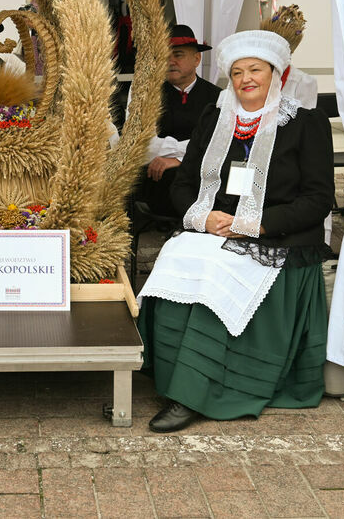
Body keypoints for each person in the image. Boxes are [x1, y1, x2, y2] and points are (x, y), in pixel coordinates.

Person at [137, 29, 333, 433]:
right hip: (217, 227)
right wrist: (202, 217)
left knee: (215, 272)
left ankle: (191, 393)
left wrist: (258, 224)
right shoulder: (216, 118)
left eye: (255, 70)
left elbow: (318, 199)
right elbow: (184, 182)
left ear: (276, 73)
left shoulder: (305, 123)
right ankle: (170, 372)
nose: (246, 79)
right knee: (177, 255)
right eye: (238, 71)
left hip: (275, 236)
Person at [129, 24, 221, 219]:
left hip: (202, 178)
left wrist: (177, 159)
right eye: (165, 55)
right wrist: (192, 150)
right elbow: (141, 145)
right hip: (156, 178)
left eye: (178, 55)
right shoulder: (145, 95)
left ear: (197, 59)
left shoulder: (218, 97)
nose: (170, 61)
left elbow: (218, 145)